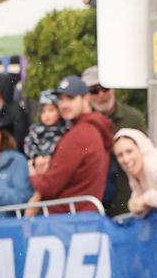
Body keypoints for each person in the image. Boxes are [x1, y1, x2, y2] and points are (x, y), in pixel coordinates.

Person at [28, 76, 113, 214]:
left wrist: (33, 174)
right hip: (83, 217)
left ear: (86, 99)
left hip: (69, 222)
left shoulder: (79, 135)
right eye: (61, 99)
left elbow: (48, 187)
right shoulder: (94, 128)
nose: (64, 104)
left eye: (70, 98)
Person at [83, 66, 147, 216]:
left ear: (114, 89)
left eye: (105, 88)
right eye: (94, 90)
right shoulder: (81, 124)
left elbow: (146, 155)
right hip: (94, 205)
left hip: (128, 201)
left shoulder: (133, 118)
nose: (100, 95)